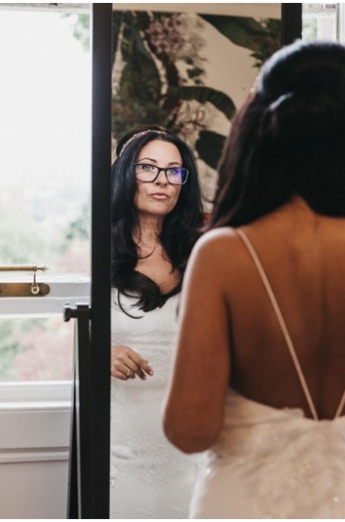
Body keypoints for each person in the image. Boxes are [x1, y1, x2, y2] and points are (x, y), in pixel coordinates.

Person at [163, 41, 345, 518]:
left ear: (257, 144)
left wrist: (267, 429)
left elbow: (189, 428)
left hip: (247, 502)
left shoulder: (223, 256)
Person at [109, 126, 204, 518]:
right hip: (123, 440)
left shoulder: (205, 251)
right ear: (127, 173)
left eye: (174, 171)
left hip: (194, 438)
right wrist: (101, 353)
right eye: (148, 168)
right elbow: (69, 334)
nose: (163, 180)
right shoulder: (99, 252)